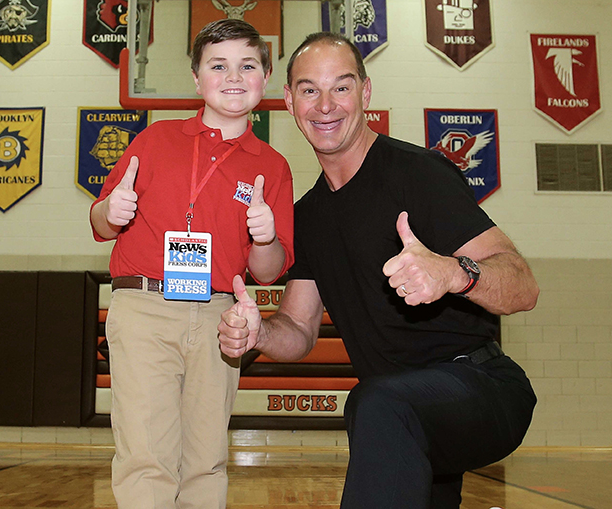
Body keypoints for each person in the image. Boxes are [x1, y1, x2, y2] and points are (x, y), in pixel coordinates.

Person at [218, 32, 538, 509]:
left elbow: (523, 285)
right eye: (309, 90)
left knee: (377, 403)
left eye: (341, 87)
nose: (325, 105)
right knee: (384, 407)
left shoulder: (418, 174)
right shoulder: (307, 217)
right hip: (406, 419)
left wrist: (454, 272)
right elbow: (300, 330)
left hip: (481, 389)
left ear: (365, 93)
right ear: (288, 101)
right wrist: (259, 331)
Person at [89, 19, 294, 509]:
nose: (233, 76)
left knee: (206, 459)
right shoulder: (155, 140)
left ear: (265, 76)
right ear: (196, 78)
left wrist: (265, 236)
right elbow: (99, 221)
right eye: (217, 65)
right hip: (145, 307)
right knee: (146, 456)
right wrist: (110, 211)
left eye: (247, 65)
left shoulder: (273, 165)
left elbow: (268, 271)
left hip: (221, 316)